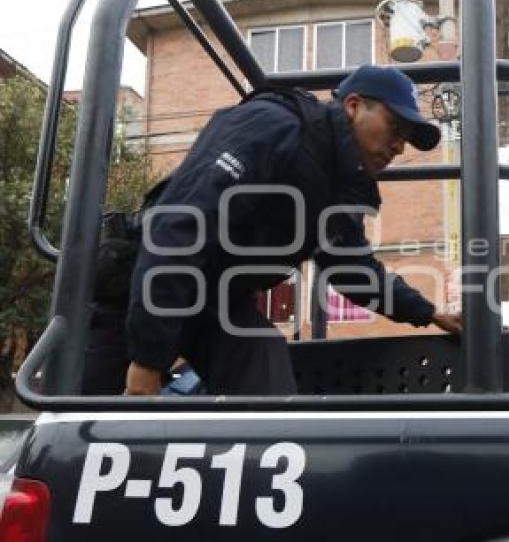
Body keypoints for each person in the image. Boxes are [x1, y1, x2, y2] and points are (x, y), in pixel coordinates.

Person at [120, 64, 461, 396]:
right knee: (92, 406)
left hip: (218, 298)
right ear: (354, 106)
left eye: (406, 138)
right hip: (143, 280)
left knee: (265, 369)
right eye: (395, 127)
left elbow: (354, 271)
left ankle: (264, 449)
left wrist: (428, 312)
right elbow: (181, 226)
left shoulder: (340, 187)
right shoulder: (273, 124)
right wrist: (147, 361)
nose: (400, 146)